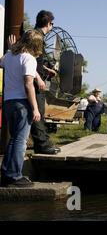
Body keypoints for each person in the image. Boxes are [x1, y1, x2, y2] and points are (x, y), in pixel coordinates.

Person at [0, 30, 43, 188]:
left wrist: (10, 49)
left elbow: (1, 62)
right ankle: (14, 176)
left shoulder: (10, 56)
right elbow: (28, 84)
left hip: (8, 102)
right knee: (20, 140)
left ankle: (6, 173)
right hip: (22, 104)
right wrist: (35, 108)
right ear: (37, 44)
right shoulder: (30, 59)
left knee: (14, 139)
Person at [30, 10, 61, 155]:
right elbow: (29, 60)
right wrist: (38, 77)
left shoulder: (35, 35)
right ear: (48, 23)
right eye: (52, 24)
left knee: (40, 113)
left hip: (36, 80)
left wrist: (47, 69)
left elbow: (35, 60)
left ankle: (43, 143)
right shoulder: (36, 37)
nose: (52, 26)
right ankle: (42, 145)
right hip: (34, 82)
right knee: (37, 113)